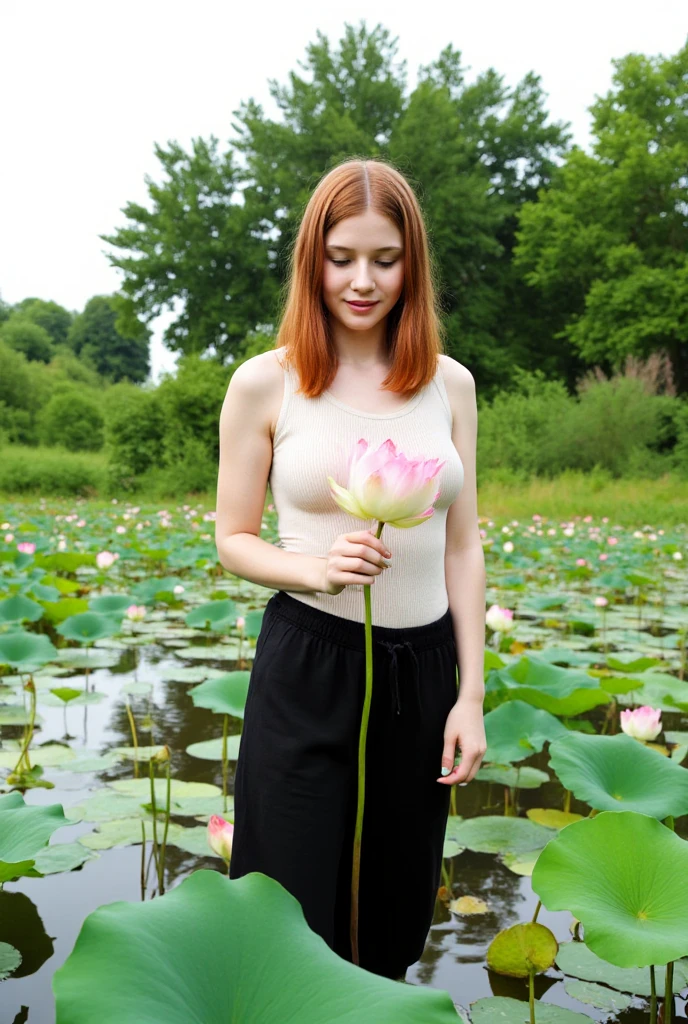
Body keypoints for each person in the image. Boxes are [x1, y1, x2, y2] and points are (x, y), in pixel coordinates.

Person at [215, 157, 487, 983]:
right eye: (342, 257)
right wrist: (313, 567)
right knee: (287, 921)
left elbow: (462, 545)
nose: (363, 280)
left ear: (413, 264)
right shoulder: (267, 383)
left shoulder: (451, 385)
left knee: (394, 922)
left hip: (424, 675)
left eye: (385, 258)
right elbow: (233, 538)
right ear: (313, 260)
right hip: (310, 665)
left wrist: (471, 694)